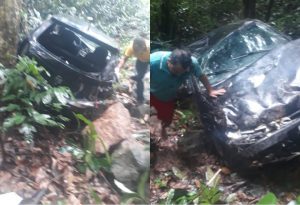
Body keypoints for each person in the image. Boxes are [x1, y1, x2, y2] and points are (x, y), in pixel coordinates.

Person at [150, 49, 226, 136]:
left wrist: (210, 90)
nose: (178, 75)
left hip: (168, 96)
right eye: (175, 71)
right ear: (169, 62)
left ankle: (163, 130)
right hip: (151, 92)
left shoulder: (192, 63)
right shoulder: (153, 62)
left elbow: (201, 75)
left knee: (166, 117)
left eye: (182, 72)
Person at [115, 36, 150, 104]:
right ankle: (140, 98)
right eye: (135, 51)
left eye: (137, 51)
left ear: (143, 47)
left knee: (142, 77)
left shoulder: (149, 48)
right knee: (140, 79)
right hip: (140, 61)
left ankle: (135, 78)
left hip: (150, 61)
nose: (135, 52)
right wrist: (117, 68)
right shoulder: (131, 48)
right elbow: (124, 59)